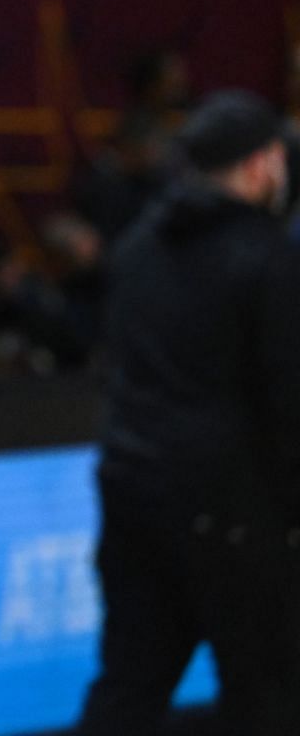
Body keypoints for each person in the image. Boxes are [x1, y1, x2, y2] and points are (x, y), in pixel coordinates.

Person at [78, 91, 300, 734]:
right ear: (262, 166)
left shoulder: (137, 246)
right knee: (268, 692)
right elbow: (288, 400)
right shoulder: (269, 256)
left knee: (129, 683)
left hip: (133, 490)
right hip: (236, 509)